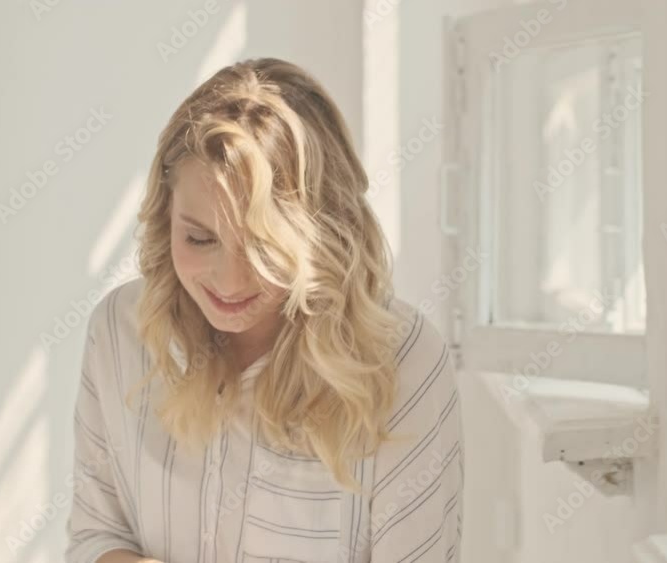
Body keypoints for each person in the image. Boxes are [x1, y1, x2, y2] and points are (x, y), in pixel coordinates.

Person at [65, 57, 464, 563]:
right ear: (165, 214)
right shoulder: (118, 331)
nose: (230, 283)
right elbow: (96, 537)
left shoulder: (403, 360)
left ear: (324, 235)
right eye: (199, 237)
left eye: (264, 247)